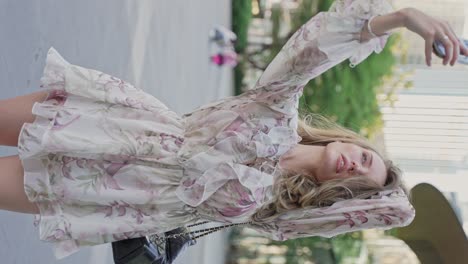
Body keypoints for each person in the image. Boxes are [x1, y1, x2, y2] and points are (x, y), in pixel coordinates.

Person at [1, 0, 468, 260]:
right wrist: (406, 18)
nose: (355, 163)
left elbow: (397, 211)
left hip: (109, 192)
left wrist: (400, 206)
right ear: (349, 140)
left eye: (359, 180)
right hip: (116, 123)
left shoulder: (275, 210)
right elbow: (314, 46)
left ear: (342, 194)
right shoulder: (276, 110)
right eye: (364, 156)